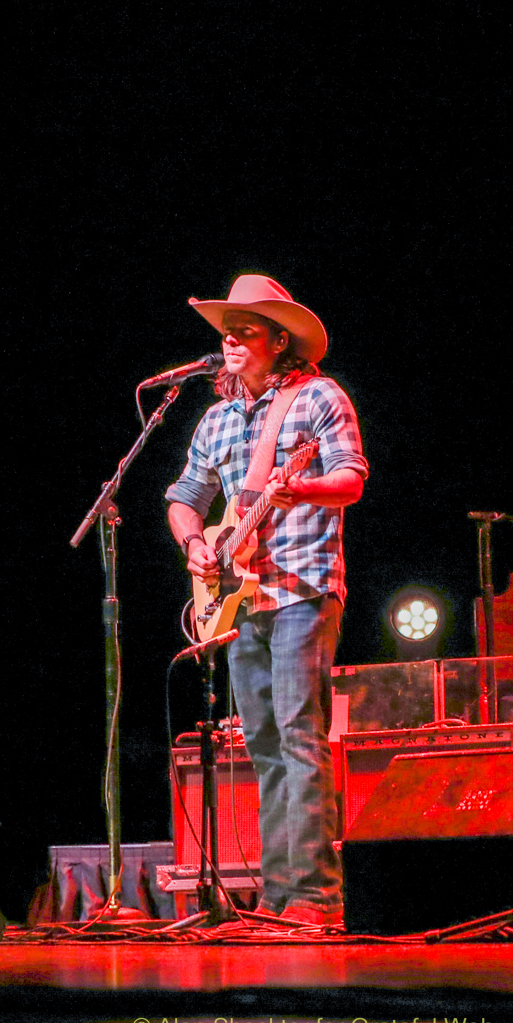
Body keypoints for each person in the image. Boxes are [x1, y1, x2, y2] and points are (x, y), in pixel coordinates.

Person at [165, 274, 368, 927]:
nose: (229, 339)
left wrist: (297, 491)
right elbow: (183, 497)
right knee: (264, 747)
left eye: (244, 329)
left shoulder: (317, 399)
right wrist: (196, 543)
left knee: (300, 739)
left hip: (303, 588)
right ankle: (280, 896)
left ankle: (315, 897)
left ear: (280, 341)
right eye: (226, 329)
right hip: (241, 599)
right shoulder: (216, 419)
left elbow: (350, 479)